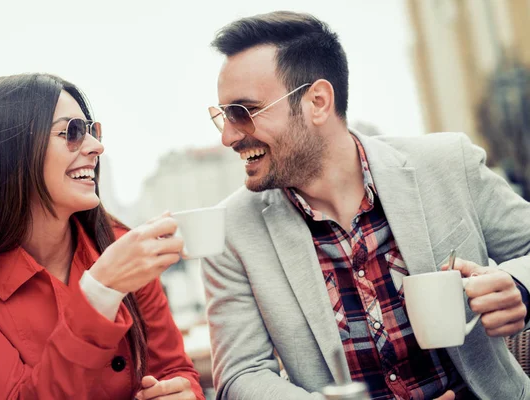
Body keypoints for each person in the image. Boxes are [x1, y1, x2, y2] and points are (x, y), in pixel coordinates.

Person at [202, 11, 530, 400]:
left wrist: (520, 286)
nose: (227, 136)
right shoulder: (231, 231)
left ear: (318, 102)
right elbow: (241, 374)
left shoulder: (447, 162)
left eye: (243, 112)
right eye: (223, 115)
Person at [0, 73, 204, 400]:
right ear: (10, 151)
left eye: (91, 130)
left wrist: (182, 393)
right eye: (72, 131)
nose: (96, 146)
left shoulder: (118, 245)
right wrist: (100, 292)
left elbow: (175, 371)